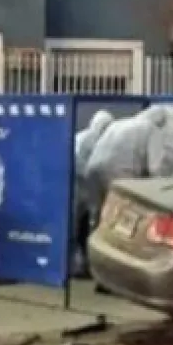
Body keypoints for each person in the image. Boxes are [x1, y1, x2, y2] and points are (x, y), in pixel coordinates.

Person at [84, 105, 168, 224]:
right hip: (118, 173)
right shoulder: (152, 128)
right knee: (119, 215)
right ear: (160, 122)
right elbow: (155, 167)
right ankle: (113, 242)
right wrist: (160, 188)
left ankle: (91, 240)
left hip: (92, 167)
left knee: (95, 213)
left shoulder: (118, 123)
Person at [72, 110, 114, 278]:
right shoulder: (85, 140)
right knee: (76, 228)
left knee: (84, 226)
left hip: (87, 190)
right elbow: (80, 165)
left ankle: (82, 264)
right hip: (78, 188)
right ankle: (75, 265)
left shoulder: (100, 140)